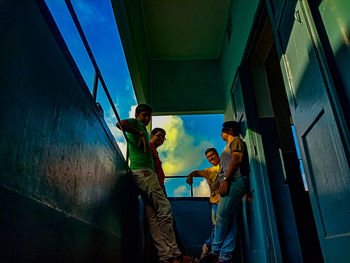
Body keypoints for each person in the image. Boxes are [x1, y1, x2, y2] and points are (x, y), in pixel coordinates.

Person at [116, 104, 182, 263]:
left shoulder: (144, 132)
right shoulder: (136, 124)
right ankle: (174, 252)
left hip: (143, 174)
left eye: (148, 116)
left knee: (153, 218)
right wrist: (138, 131)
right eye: (144, 115)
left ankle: (165, 256)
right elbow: (120, 124)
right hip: (144, 173)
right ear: (137, 114)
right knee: (165, 209)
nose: (146, 119)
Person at [200, 121, 249, 263]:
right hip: (232, 182)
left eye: (222, 131)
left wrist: (226, 179)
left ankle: (214, 252)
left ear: (229, 130)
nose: (220, 133)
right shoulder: (229, 145)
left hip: (234, 181)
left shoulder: (236, 140)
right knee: (231, 220)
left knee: (221, 218)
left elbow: (237, 158)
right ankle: (224, 256)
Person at [186, 148, 220, 256]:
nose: (211, 158)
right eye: (208, 157)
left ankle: (209, 246)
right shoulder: (208, 171)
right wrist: (190, 176)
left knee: (221, 226)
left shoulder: (224, 166)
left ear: (217, 154)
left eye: (212, 155)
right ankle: (210, 248)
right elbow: (196, 172)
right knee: (216, 226)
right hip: (214, 203)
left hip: (224, 201)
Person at [150, 128, 167, 195]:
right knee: (163, 205)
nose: (161, 139)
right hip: (154, 184)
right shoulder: (149, 147)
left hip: (159, 183)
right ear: (152, 136)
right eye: (158, 136)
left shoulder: (155, 150)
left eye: (163, 137)